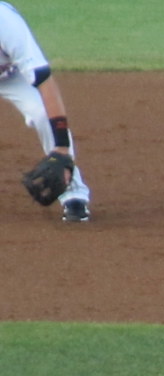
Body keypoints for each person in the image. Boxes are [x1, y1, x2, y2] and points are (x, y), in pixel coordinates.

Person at [1, 2, 91, 221]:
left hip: (12, 76)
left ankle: (74, 194)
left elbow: (45, 83)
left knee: (42, 113)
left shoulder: (6, 23)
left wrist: (61, 148)